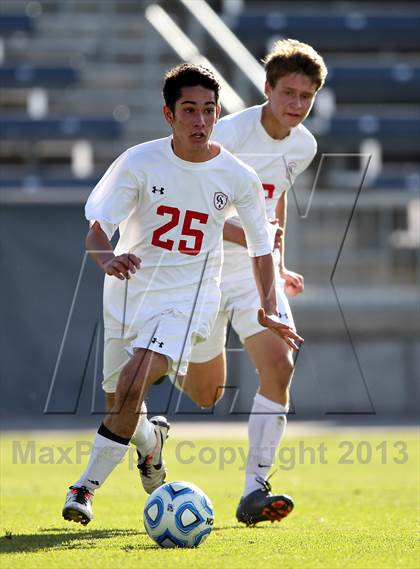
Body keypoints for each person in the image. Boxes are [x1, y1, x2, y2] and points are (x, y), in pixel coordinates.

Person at [61, 63, 303, 526]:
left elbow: (260, 245)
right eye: (189, 110)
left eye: (209, 110)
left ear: (217, 115)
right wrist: (107, 259)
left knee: (135, 382)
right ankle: (151, 444)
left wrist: (269, 307)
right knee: (121, 406)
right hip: (127, 295)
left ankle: (84, 489)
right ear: (168, 115)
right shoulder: (139, 161)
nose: (200, 120)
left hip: (189, 299)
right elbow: (97, 230)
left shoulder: (237, 175)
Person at [178, 39, 328, 526]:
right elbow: (198, 206)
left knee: (281, 366)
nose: (296, 105)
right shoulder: (232, 133)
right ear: (267, 88)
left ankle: (254, 491)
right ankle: (164, 363)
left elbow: (274, 198)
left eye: (306, 96)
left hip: (255, 270)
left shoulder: (304, 146)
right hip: (207, 265)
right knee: (207, 394)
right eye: (288, 92)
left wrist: (276, 263)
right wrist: (251, 236)